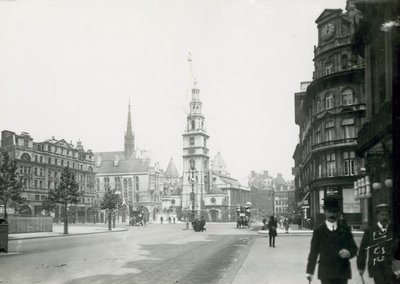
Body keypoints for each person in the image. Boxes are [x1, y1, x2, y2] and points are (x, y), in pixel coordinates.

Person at [306, 195, 358, 284]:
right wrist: (310, 271)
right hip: (326, 273)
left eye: (334, 211)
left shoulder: (345, 230)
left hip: (342, 272)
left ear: (338, 212)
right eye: (329, 211)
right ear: (324, 212)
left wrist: (348, 252)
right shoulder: (319, 232)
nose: (332, 215)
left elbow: (354, 248)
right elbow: (313, 252)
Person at [357, 204, 396, 284]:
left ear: (389, 216)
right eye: (382, 215)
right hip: (376, 267)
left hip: (392, 267)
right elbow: (362, 250)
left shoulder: (394, 230)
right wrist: (361, 266)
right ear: (377, 216)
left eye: (386, 215)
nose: (384, 217)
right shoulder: (370, 231)